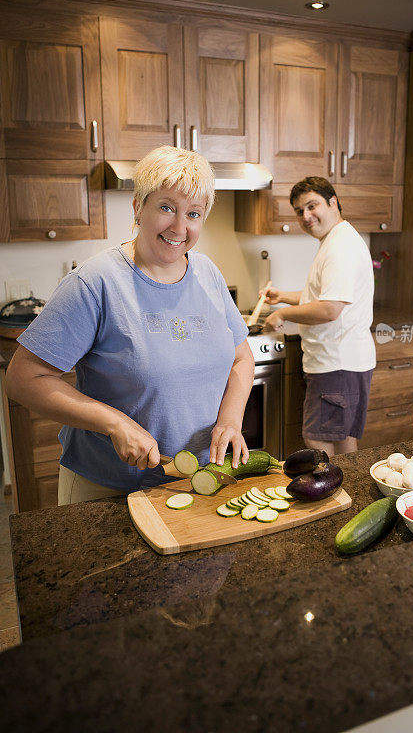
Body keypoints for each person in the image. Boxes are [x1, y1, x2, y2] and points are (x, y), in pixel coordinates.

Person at [5, 146, 254, 504]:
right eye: (166, 207)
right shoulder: (95, 283)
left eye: (194, 213)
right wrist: (115, 423)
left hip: (197, 482)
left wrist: (230, 420)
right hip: (108, 489)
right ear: (138, 207)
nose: (179, 227)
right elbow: (22, 378)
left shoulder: (209, 275)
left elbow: (241, 358)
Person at [262, 176, 375, 456]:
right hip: (341, 362)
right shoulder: (336, 240)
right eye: (300, 211)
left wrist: (283, 314)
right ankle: (349, 494)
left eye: (312, 206)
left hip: (336, 363)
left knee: (318, 440)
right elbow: (325, 296)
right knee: (341, 438)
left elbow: (329, 309)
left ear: (332, 202)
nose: (306, 216)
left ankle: (334, 495)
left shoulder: (341, 247)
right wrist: (284, 297)